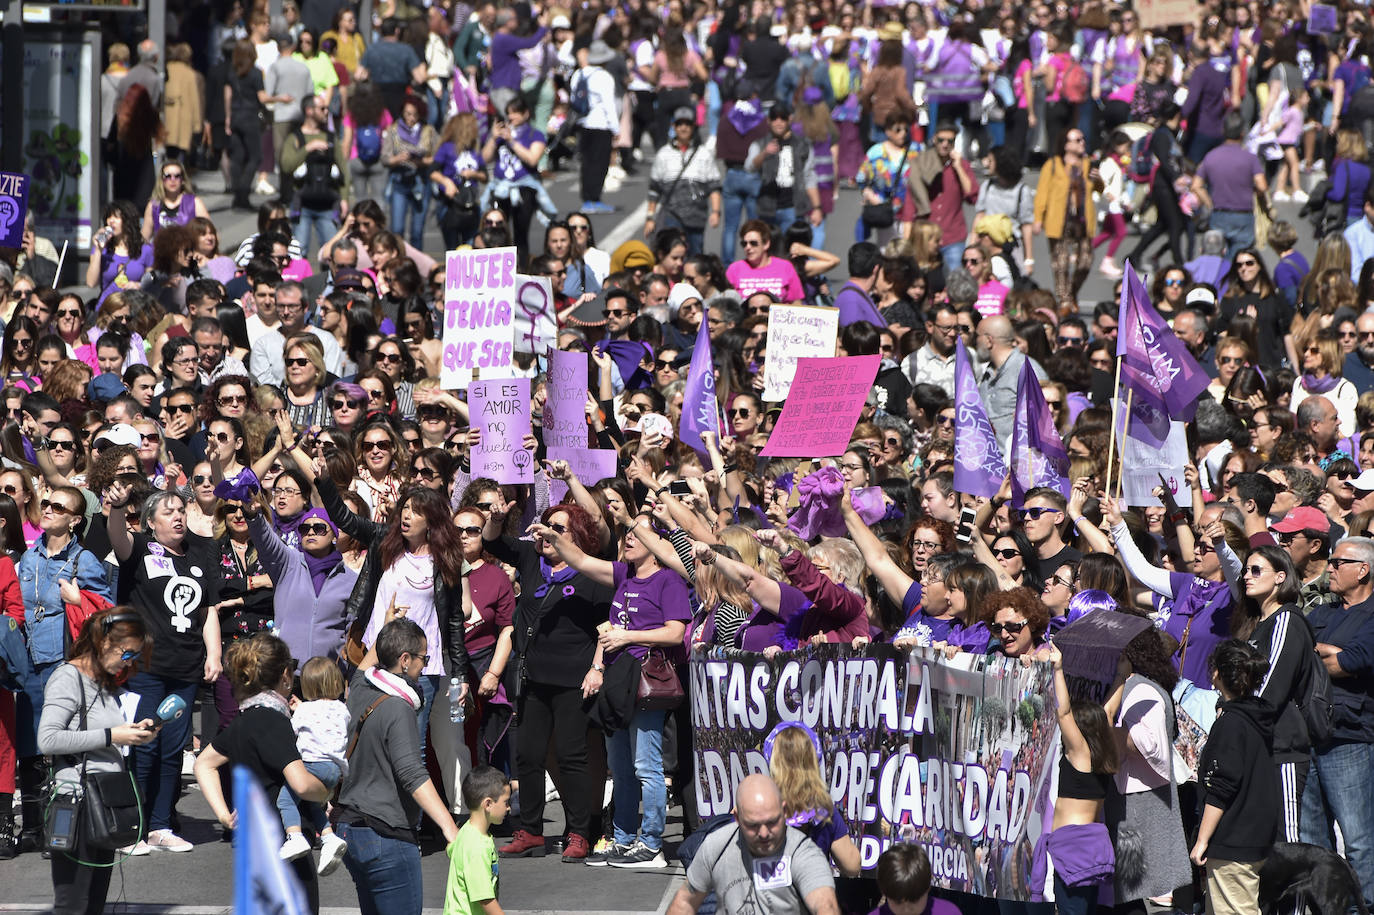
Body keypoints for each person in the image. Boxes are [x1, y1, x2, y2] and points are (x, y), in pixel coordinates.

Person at [528, 512, 691, 868]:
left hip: (647, 679)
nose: (629, 538)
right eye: (627, 533)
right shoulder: (623, 575)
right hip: (617, 681)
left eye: (638, 533)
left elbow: (675, 633)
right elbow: (581, 560)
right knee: (619, 768)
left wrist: (627, 636)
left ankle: (651, 845)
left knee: (646, 766)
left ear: (656, 546)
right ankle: (623, 838)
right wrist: (552, 536)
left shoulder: (669, 581)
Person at [106, 484, 220, 853]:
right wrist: (119, 508)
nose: (178, 517)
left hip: (185, 669)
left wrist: (213, 654)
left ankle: (159, 825)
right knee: (143, 744)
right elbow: (117, 537)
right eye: (169, 512)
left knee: (172, 749)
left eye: (181, 511)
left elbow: (208, 612)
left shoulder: (202, 551)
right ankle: (133, 828)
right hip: (146, 667)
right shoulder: (139, 547)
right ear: (151, 522)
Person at [193, 633, 332, 906]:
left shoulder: (244, 719)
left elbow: (203, 763)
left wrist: (223, 814)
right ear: (285, 675)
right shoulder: (274, 721)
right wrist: (327, 791)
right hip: (285, 843)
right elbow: (301, 784)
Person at [336, 618, 460, 915]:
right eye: (423, 658)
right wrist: (449, 826)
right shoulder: (398, 708)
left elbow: (372, 657)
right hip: (386, 834)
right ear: (404, 660)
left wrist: (388, 628)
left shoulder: (360, 687)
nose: (424, 666)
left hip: (350, 829)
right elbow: (412, 773)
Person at [37, 609, 156, 914]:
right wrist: (112, 735)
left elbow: (106, 733)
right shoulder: (68, 678)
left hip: (103, 804)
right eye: (128, 653)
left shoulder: (102, 682)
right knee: (72, 905)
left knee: (94, 905)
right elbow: (47, 740)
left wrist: (135, 733)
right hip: (76, 805)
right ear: (104, 643)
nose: (129, 662)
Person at [1190, 639, 1281, 915]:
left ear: (1217, 674)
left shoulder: (1232, 723)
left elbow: (1221, 787)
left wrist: (1202, 840)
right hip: (1256, 835)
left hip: (1233, 839)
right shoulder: (1257, 717)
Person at [664, 773, 840, 915]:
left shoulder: (804, 852)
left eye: (771, 822)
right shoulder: (715, 845)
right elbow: (684, 904)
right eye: (753, 825)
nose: (764, 833)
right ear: (737, 818)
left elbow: (825, 905)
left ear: (784, 811)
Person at [442, 766, 511, 915]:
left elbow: (452, 849)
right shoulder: (477, 847)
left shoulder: (466, 831)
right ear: (488, 804)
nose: (509, 808)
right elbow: (485, 898)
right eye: (506, 802)